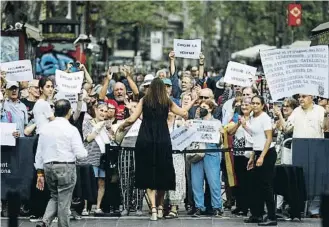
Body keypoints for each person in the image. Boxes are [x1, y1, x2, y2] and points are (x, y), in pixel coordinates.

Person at [117, 78, 188, 221]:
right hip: (163, 139)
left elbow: (132, 119)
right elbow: (183, 113)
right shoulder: (166, 101)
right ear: (163, 88)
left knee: (148, 173)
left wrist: (122, 126)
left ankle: (154, 210)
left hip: (145, 139)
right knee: (163, 173)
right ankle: (161, 208)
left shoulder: (144, 100)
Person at [34, 99, 88, 227]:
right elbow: (80, 154)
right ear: (69, 112)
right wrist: (85, 151)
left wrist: (39, 172)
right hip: (66, 166)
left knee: (55, 196)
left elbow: (39, 152)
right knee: (64, 200)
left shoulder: (45, 129)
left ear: (54, 111)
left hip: (48, 166)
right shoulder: (71, 129)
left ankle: (45, 222)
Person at [244, 95, 277, 226]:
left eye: (258, 103)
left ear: (263, 105)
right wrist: (253, 157)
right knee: (255, 186)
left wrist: (262, 156)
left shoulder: (265, 118)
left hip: (267, 153)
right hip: (257, 151)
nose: (255, 105)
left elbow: (268, 139)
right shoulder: (252, 118)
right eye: (253, 103)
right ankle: (257, 214)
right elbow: (255, 138)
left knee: (266, 186)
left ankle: (272, 217)